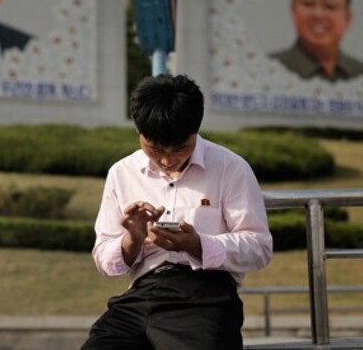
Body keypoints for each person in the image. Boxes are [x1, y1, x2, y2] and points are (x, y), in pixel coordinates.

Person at [82, 74, 273, 350]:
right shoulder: (121, 173)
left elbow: (259, 247)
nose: (167, 160)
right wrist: (132, 240)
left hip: (205, 295)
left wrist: (198, 245)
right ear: (138, 130)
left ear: (196, 130)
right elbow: (104, 260)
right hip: (141, 295)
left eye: (181, 148)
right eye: (154, 149)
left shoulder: (230, 168)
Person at [270, 0, 363, 81]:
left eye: (330, 6)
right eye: (308, 3)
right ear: (293, 11)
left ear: (347, 18)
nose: (318, 14)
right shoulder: (270, 68)